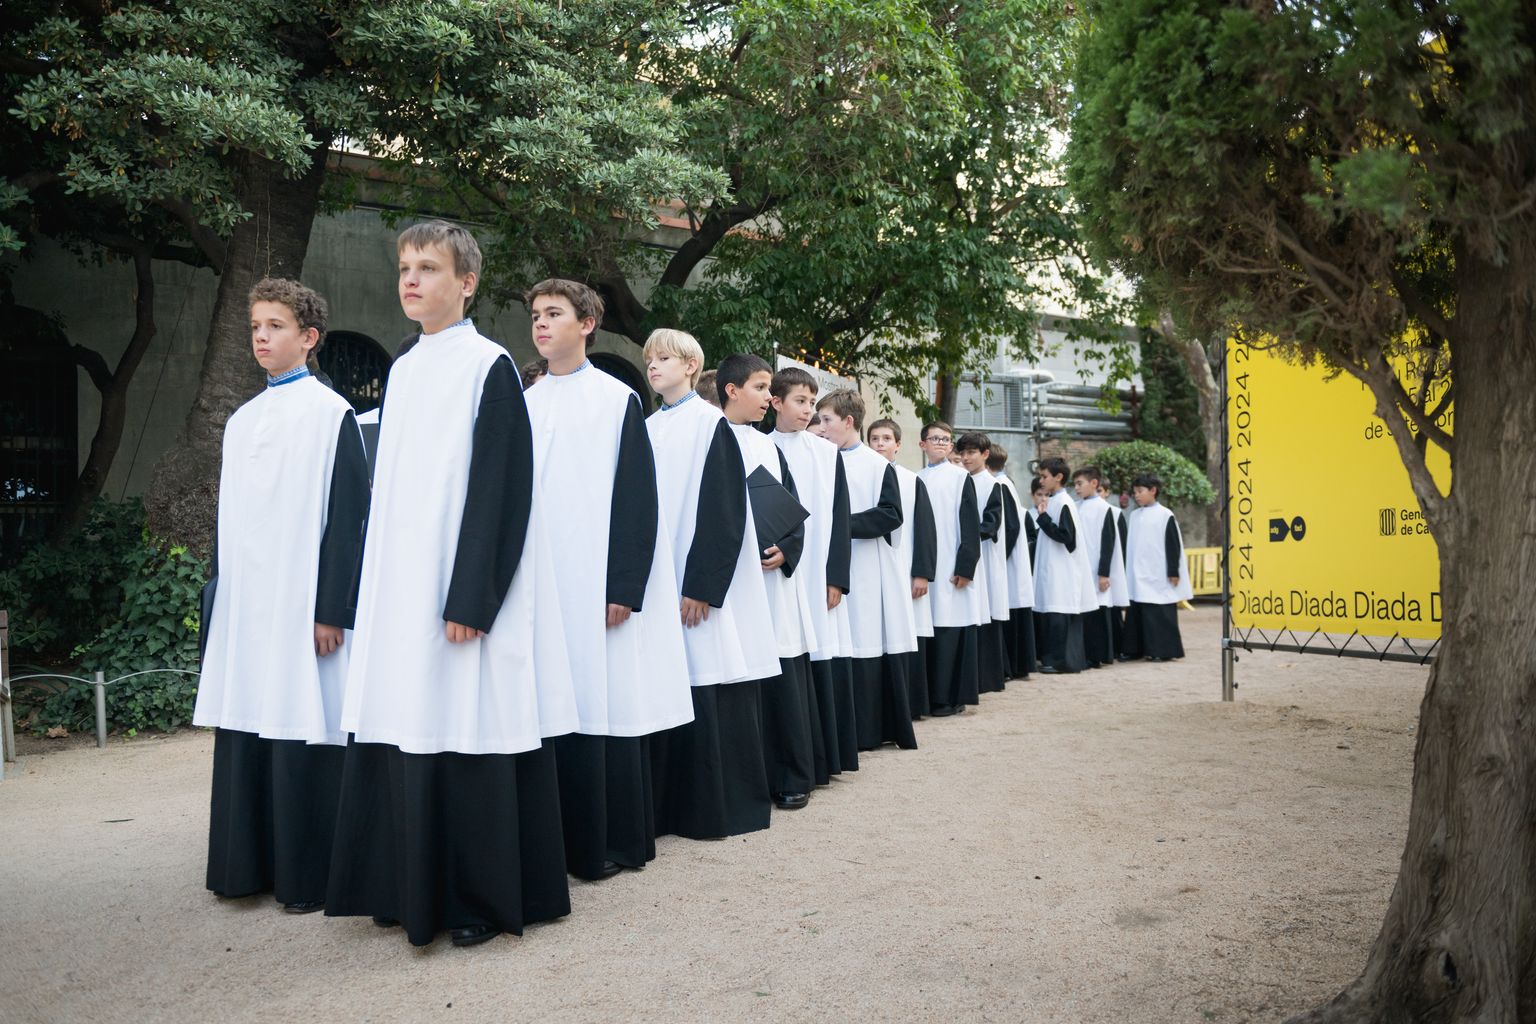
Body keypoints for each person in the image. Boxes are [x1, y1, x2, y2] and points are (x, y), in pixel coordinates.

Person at [327, 220, 578, 948]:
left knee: (466, 725)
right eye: (405, 266)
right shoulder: (404, 366)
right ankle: (404, 886)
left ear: (466, 283)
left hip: (459, 592)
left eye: (428, 267)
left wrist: (473, 597)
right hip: (402, 588)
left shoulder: (487, 366)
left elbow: (502, 490)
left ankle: (474, 899)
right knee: (406, 721)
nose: (411, 279)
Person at [194, 277, 369, 915]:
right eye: (255, 327)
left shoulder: (331, 414)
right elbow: (228, 522)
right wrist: (222, 601)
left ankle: (305, 876)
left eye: (275, 326)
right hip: (248, 605)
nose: (261, 338)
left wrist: (332, 609)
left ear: (309, 337)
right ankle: (245, 869)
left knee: (301, 721)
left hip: (303, 605)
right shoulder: (242, 420)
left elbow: (350, 519)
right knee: (247, 719)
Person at [523, 278, 694, 880]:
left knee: (604, 701)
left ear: (587, 323)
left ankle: (608, 842)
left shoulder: (616, 399)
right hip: (543, 581)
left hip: (597, 581)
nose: (541, 324)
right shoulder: (526, 401)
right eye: (536, 315)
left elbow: (637, 499)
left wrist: (624, 585)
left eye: (554, 314)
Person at [642, 329, 777, 839]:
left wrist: (703, 584)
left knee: (709, 675)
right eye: (650, 358)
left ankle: (716, 810)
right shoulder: (648, 426)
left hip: (698, 579)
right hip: (660, 575)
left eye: (665, 357)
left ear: (691, 366)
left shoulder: (710, 424)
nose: (654, 366)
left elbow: (724, 510)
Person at [719, 354, 820, 810]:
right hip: (728, 578)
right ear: (731, 390)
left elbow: (792, 509)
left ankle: (789, 776)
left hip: (769, 576)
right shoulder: (709, 437)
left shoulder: (768, 448)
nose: (767, 397)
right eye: (760, 388)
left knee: (781, 676)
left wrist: (788, 549)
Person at [815, 389, 916, 751]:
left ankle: (867, 730)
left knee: (864, 640)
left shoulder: (876, 466)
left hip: (866, 567)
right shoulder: (819, 458)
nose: (821, 427)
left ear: (848, 422)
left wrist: (841, 524)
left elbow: (891, 514)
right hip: (825, 567)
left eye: (827, 420)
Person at [770, 367, 857, 778]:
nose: (808, 411)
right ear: (776, 402)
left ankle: (823, 759)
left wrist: (836, 577)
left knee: (820, 651)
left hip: (817, 571)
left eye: (811, 403)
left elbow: (840, 519)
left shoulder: (825, 454)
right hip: (778, 570)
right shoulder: (760, 446)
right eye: (800, 401)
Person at [868, 418, 937, 720]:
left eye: (886, 438)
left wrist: (922, 572)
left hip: (905, 569)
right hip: (871, 572)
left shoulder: (911, 480)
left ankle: (911, 706)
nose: (880, 444)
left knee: (906, 633)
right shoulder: (862, 472)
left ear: (898, 444)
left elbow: (924, 529)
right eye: (874, 438)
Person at [917, 422, 982, 716]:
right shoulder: (915, 478)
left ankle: (949, 698)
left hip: (951, 567)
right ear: (923, 444)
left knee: (949, 630)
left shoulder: (960, 477)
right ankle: (927, 697)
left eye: (946, 439)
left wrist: (966, 566)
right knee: (927, 629)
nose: (941, 443)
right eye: (935, 438)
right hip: (924, 565)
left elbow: (970, 524)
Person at [1030, 456, 1098, 674]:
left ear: (1058, 477)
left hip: (1062, 571)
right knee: (1054, 617)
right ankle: (1055, 660)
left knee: (1059, 617)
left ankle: (1061, 662)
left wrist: (1043, 518)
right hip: (1054, 569)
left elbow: (1067, 537)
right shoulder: (1056, 500)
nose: (1041, 481)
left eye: (1044, 476)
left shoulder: (1064, 502)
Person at [954, 433, 1009, 695]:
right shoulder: (958, 480)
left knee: (985, 617)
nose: (966, 458)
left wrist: (968, 537)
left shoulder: (992, 485)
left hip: (984, 557)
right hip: (963, 555)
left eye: (971, 453)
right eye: (962, 453)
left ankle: (988, 679)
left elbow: (991, 524)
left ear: (985, 454)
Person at [1123, 473, 1193, 660]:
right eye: (1135, 492)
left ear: (1153, 490)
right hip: (1137, 571)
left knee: (1158, 611)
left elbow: (1172, 544)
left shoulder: (1165, 515)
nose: (1136, 495)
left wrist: (1173, 571)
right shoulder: (1135, 515)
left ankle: (1162, 652)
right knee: (1137, 610)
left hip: (1158, 572)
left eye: (1140, 491)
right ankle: (1135, 650)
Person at [1070, 466, 1128, 668]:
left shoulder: (1104, 509)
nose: (1076, 488)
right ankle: (1084, 654)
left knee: (1098, 615)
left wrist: (1104, 573)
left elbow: (1108, 542)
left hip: (1096, 570)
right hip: (1079, 568)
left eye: (1080, 483)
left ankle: (1097, 656)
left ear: (1094, 483)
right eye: (1075, 484)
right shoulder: (1074, 506)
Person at [987, 446, 1035, 679]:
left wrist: (1000, 557)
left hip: (1007, 560)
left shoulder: (1000, 485)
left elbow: (1011, 526)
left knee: (1011, 610)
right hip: (1008, 558)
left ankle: (1014, 666)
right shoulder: (1004, 483)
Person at [1098, 480, 1132, 657]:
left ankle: (1118, 648)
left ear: (1107, 492)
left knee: (1114, 610)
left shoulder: (1115, 513)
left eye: (1100, 490)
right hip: (1096, 568)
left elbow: (1122, 545)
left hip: (1113, 568)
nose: (1098, 494)